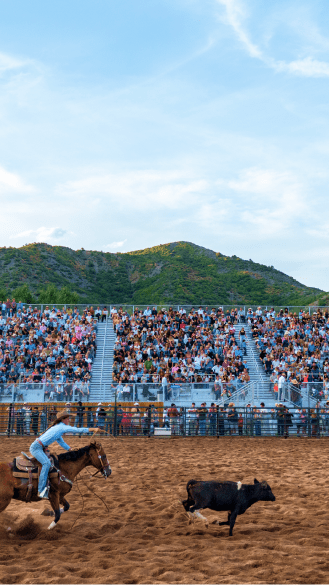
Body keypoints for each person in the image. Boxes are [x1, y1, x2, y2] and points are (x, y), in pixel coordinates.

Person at [29, 411, 100, 499]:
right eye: (67, 418)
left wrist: (70, 449)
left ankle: (47, 485)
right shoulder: (61, 427)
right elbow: (76, 430)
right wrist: (92, 429)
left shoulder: (58, 428)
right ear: (63, 419)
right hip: (37, 448)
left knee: (49, 464)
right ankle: (41, 490)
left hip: (39, 447)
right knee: (46, 463)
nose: (69, 420)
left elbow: (61, 442)